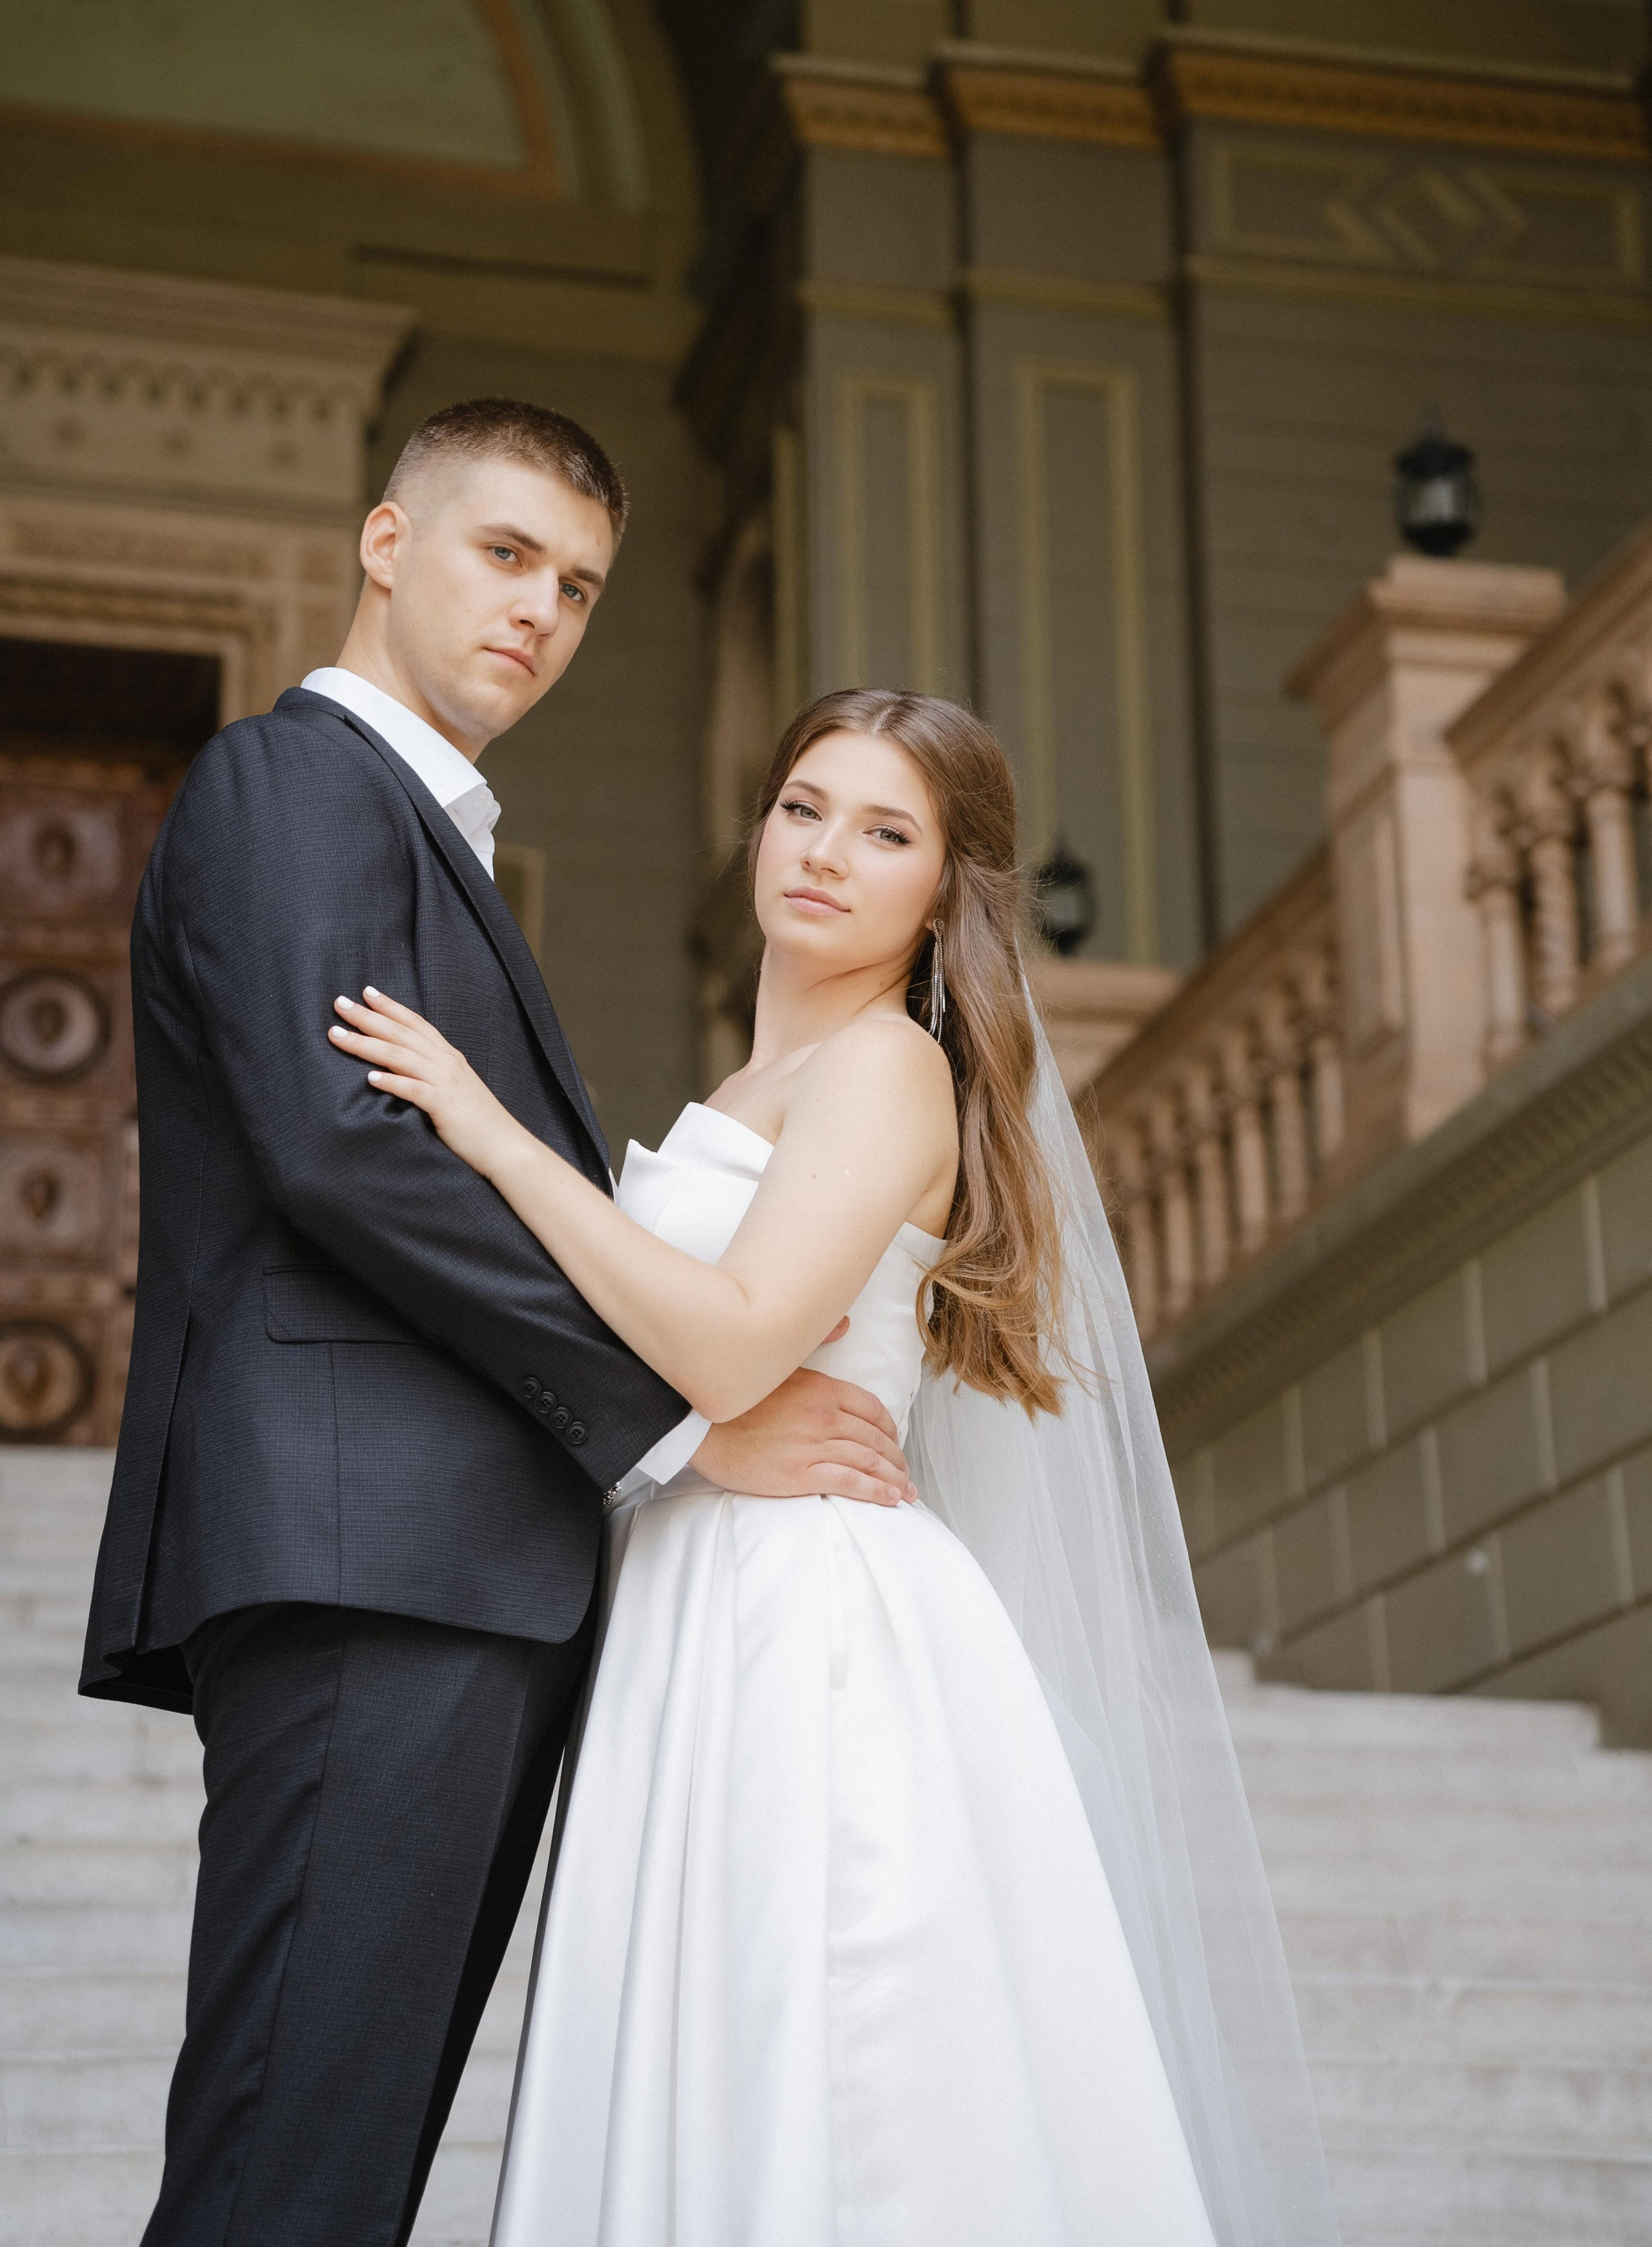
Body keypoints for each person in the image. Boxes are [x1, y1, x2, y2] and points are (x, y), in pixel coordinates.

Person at [323, 687, 1343, 2247]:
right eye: (802, 807)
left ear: (945, 892)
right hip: (695, 1585)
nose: (822, 852)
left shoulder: (883, 1069)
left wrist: (487, 1127)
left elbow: (732, 1349)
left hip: (806, 1617)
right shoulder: (745, 1093)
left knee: (830, 2067)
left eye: (884, 832)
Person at [79, 400, 913, 2247]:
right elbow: (340, 1148)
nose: (542, 610)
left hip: (463, 1573)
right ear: (388, 542)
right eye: (505, 555)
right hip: (376, 1558)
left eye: (583, 587)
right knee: (290, 2165)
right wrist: (688, 1424)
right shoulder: (291, 784)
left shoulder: (432, 836)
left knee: (341, 2166)